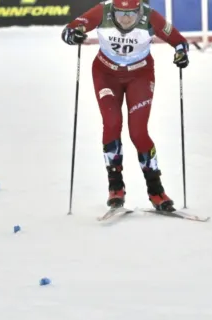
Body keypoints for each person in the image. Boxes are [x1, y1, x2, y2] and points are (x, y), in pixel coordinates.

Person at [61, 0, 189, 212]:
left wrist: (181, 53)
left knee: (138, 132)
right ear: (113, 10)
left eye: (131, 14)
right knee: (112, 124)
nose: (126, 19)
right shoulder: (102, 10)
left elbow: (179, 41)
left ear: (139, 10)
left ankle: (156, 190)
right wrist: (72, 35)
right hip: (105, 74)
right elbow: (69, 30)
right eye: (120, 14)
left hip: (140, 75)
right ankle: (115, 187)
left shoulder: (150, 16)